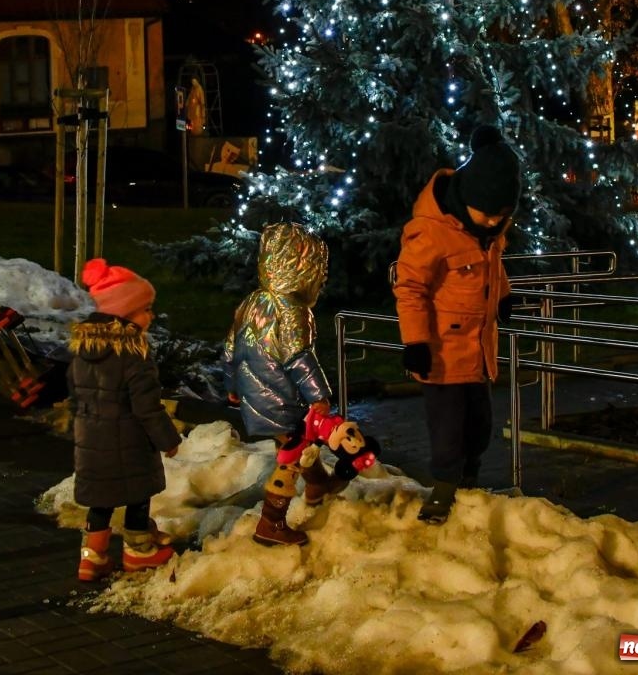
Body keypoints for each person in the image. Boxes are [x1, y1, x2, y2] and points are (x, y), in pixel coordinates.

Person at [392, 124, 521, 524]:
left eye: (502, 215)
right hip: (442, 355)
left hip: (478, 351)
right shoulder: (432, 233)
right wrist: (415, 342)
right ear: (468, 198)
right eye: (488, 213)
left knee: (480, 425)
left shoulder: (490, 232)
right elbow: (410, 288)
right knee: (448, 430)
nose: (493, 222)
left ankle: (470, 479)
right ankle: (444, 487)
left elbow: (492, 270)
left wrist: (504, 297)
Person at [222, 221, 377, 545]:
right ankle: (272, 521)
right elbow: (298, 357)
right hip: (281, 396)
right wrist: (319, 395)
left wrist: (232, 385)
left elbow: (231, 347)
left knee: (296, 445)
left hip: (255, 393)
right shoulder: (293, 310)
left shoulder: (251, 301)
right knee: (292, 452)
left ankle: (318, 483)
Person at [68, 257, 181, 582]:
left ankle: (92, 558)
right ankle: (139, 553)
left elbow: (75, 396)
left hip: (91, 442)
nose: (151, 316)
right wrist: (168, 439)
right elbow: (147, 407)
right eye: (145, 309)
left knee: (100, 501)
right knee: (136, 496)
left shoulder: (82, 350)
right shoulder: (134, 354)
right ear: (125, 315)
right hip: (129, 442)